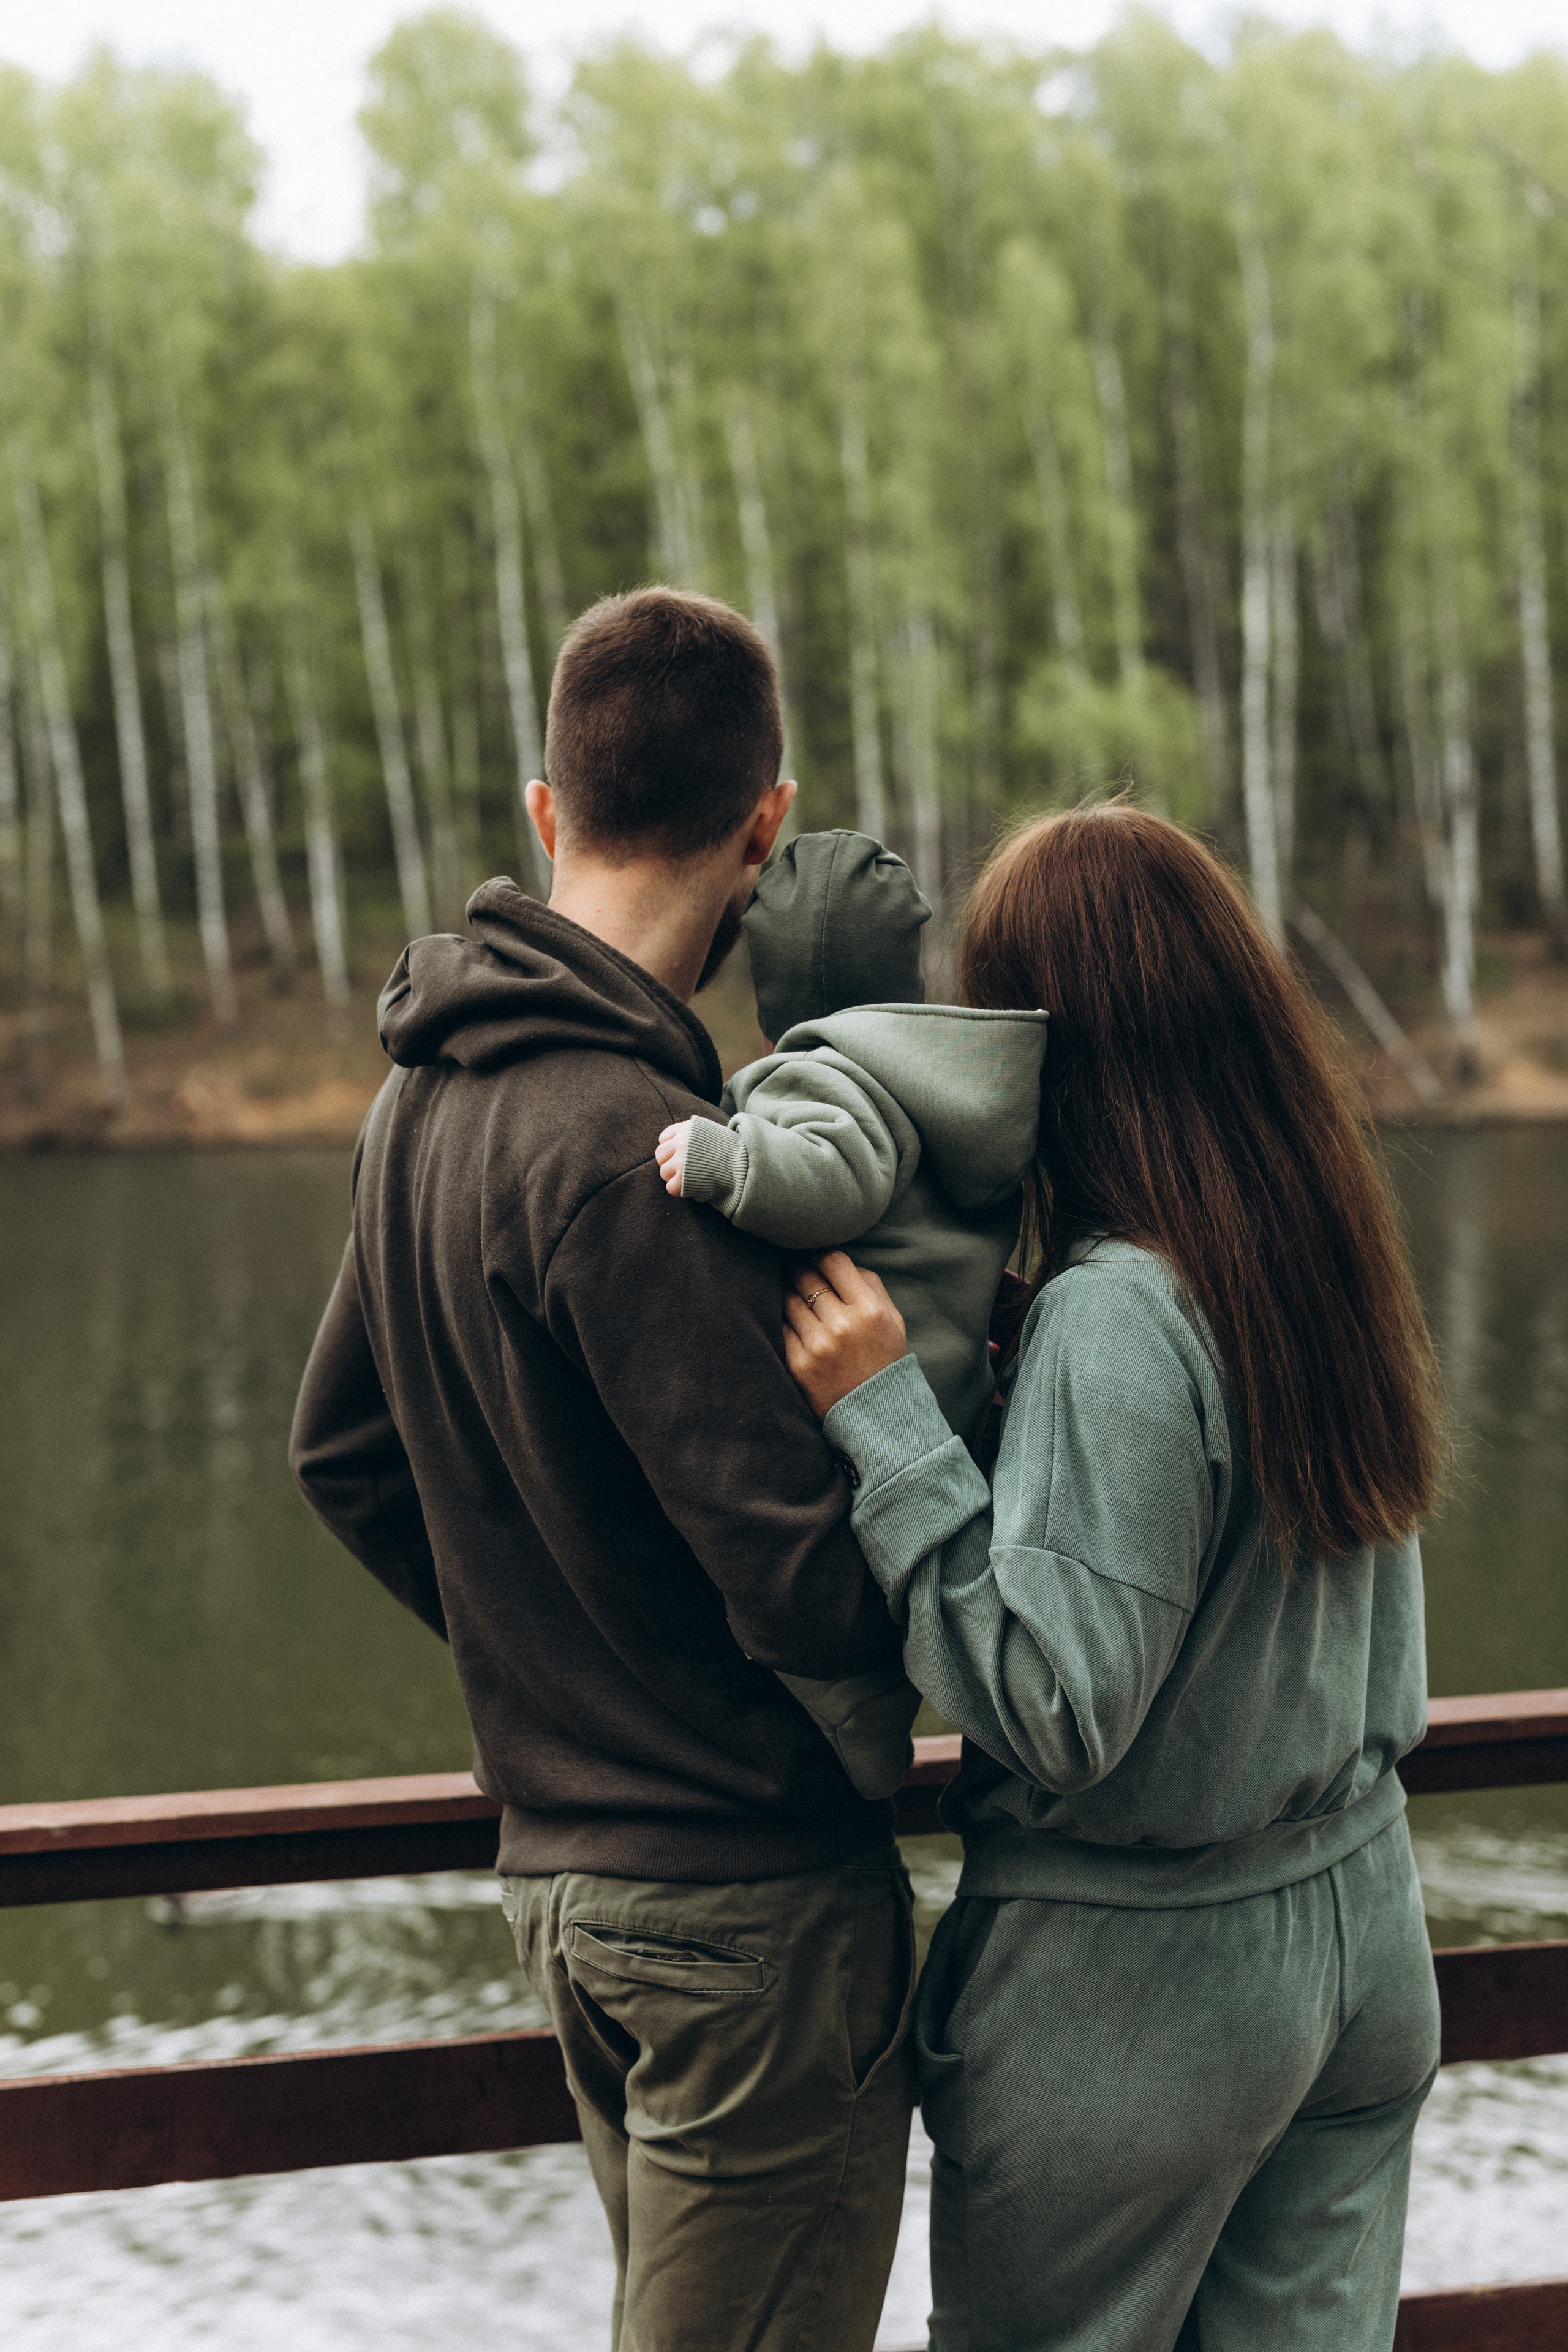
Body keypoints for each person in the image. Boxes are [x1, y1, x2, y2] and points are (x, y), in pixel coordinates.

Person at [289, 588, 916, 2352]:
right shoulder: (644, 1151)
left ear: (546, 809)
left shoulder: (418, 1105)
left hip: (568, 1895)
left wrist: (549, 1647)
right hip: (743, 1911)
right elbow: (796, 1566)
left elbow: (340, 1454)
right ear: (767, 827)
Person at [778, 802, 1446, 2352]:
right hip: (1359, 1935)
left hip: (1143, 1990)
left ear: (1050, 1046)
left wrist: (888, 1424)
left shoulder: (1119, 1313)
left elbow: (1061, 1706)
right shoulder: (1314, 1246)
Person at [655, 827, 1048, 1797]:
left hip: (870, 1393)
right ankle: (870, 1733)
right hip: (941, 1392)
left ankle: (857, 1745)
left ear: (772, 1001)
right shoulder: (936, 1085)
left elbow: (835, 1177)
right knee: (876, 1593)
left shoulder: (826, 1074)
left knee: (820, 1584)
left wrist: (726, 1159)